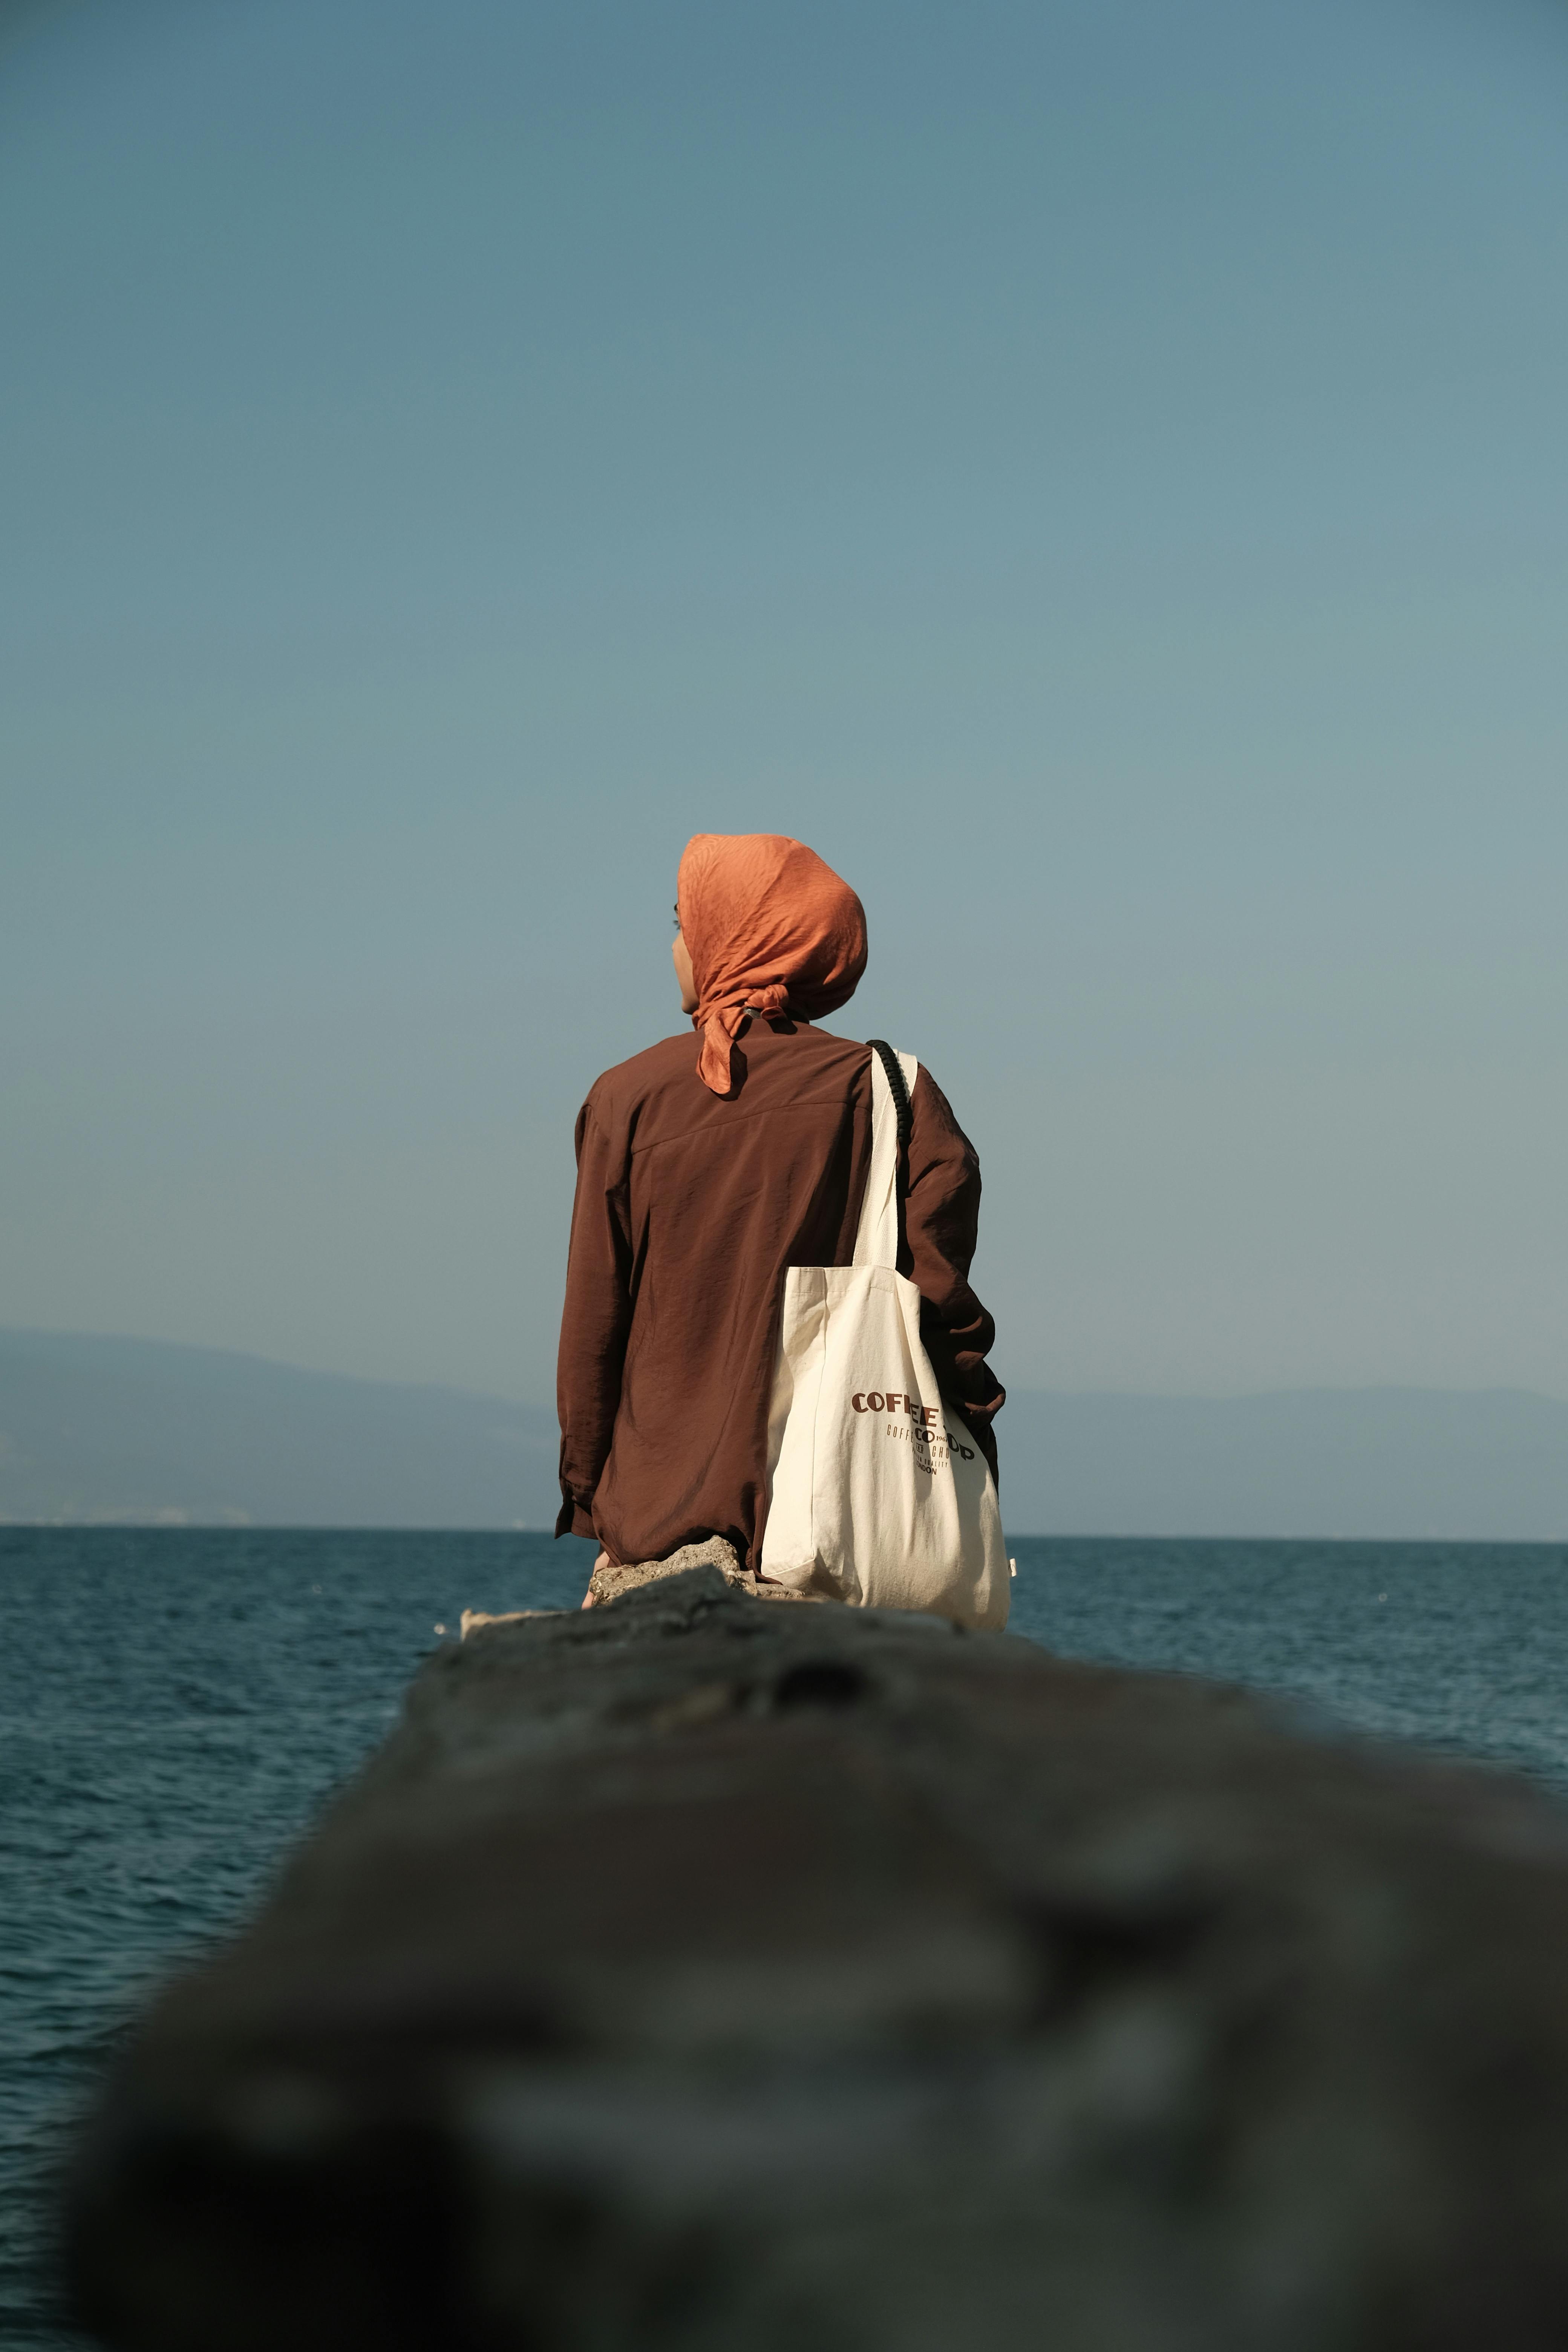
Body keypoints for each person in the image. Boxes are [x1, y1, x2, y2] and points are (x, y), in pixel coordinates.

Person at [555, 831, 1003, 1597]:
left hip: (659, 1527)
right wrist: (970, 1445)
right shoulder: (895, 1093)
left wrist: (595, 1505)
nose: (675, 949)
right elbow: (945, 1316)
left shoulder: (627, 1098)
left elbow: (596, 1332)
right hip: (845, 1527)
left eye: (681, 925)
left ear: (733, 935)